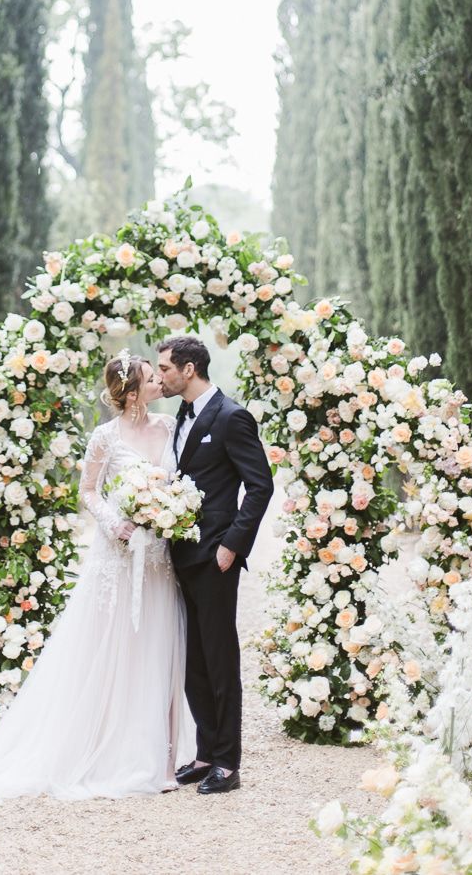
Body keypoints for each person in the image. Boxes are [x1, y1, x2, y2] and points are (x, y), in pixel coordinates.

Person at [0, 351, 192, 799]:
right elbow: (88, 492)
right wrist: (115, 521)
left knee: (160, 648)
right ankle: (105, 746)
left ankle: (164, 759)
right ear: (132, 390)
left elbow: (178, 483)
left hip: (158, 559)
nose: (160, 379)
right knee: (110, 650)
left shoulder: (170, 428)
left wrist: (169, 510)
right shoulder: (105, 436)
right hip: (117, 558)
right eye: (150, 376)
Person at [158, 334, 275, 795]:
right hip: (181, 554)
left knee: (220, 659)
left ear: (189, 369)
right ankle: (206, 753)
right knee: (193, 661)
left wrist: (232, 545)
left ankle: (228, 762)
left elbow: (259, 485)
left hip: (215, 559)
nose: (161, 375)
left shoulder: (231, 417)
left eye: (165, 368)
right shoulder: (180, 417)